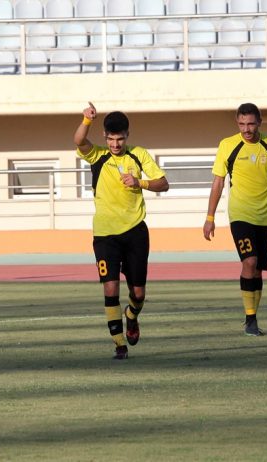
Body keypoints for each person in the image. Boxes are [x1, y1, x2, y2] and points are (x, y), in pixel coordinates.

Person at [74, 102, 169, 359]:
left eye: (120, 139)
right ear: (105, 136)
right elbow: (79, 140)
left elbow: (163, 183)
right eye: (111, 139)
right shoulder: (97, 155)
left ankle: (132, 315)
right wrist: (86, 120)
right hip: (105, 235)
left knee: (138, 293)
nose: (115, 144)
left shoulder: (138, 154)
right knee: (110, 287)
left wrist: (140, 182)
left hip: (135, 231)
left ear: (127, 135)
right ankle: (119, 344)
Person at [203, 103, 267, 336]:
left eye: (251, 124)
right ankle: (250, 318)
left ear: (259, 123)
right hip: (240, 215)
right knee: (250, 262)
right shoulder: (227, 145)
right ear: (237, 123)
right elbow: (218, 182)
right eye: (242, 124)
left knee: (259, 269)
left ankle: (253, 316)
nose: (246, 129)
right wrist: (210, 217)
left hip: (265, 217)